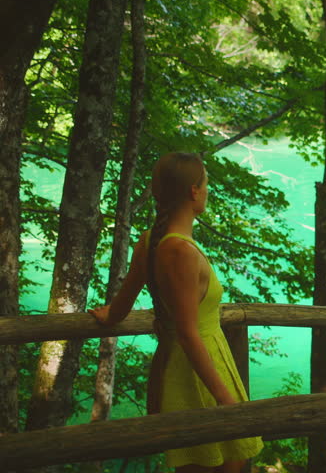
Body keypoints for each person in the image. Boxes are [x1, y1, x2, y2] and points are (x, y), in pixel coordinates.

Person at [90, 152, 263, 473]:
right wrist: (226, 401)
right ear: (194, 191)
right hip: (195, 373)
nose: (208, 191)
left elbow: (120, 308)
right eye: (206, 184)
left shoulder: (151, 241)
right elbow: (187, 332)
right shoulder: (179, 250)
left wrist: (108, 316)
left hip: (186, 364)